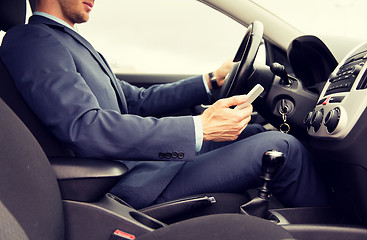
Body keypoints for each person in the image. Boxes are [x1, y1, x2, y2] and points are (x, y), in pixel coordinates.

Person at [0, 0, 329, 209]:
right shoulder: (33, 40)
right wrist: (200, 127)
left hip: (139, 166)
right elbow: (84, 126)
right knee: (281, 146)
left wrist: (211, 80)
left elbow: (136, 101)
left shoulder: (66, 42)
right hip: (124, 181)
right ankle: (335, 231)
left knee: (253, 131)